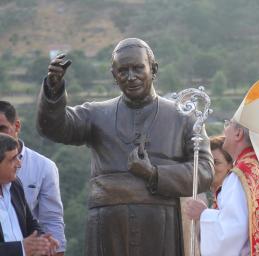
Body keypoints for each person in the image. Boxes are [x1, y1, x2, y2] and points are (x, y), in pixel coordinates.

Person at [36, 37, 213, 256]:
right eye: (123, 70)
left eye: (138, 68)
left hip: (161, 225)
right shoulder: (96, 114)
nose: (131, 77)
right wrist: (53, 90)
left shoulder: (184, 118)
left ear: (153, 69)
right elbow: (53, 128)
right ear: (114, 75)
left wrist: (155, 174)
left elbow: (205, 171)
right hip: (107, 225)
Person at [186, 79, 259, 255]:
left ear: (238, 133)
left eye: (228, 124)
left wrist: (203, 215)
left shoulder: (242, 175)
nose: (225, 129)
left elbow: (231, 234)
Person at [0, 101, 66, 256]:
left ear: (16, 127)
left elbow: (37, 223)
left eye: (2, 129)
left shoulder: (16, 184)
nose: (19, 164)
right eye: (12, 160)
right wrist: (21, 249)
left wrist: (44, 241)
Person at [181, 135, 232, 255]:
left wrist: (204, 214)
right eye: (208, 163)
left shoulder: (232, 195)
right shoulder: (209, 194)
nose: (211, 168)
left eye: (216, 162)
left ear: (231, 166)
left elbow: (232, 231)